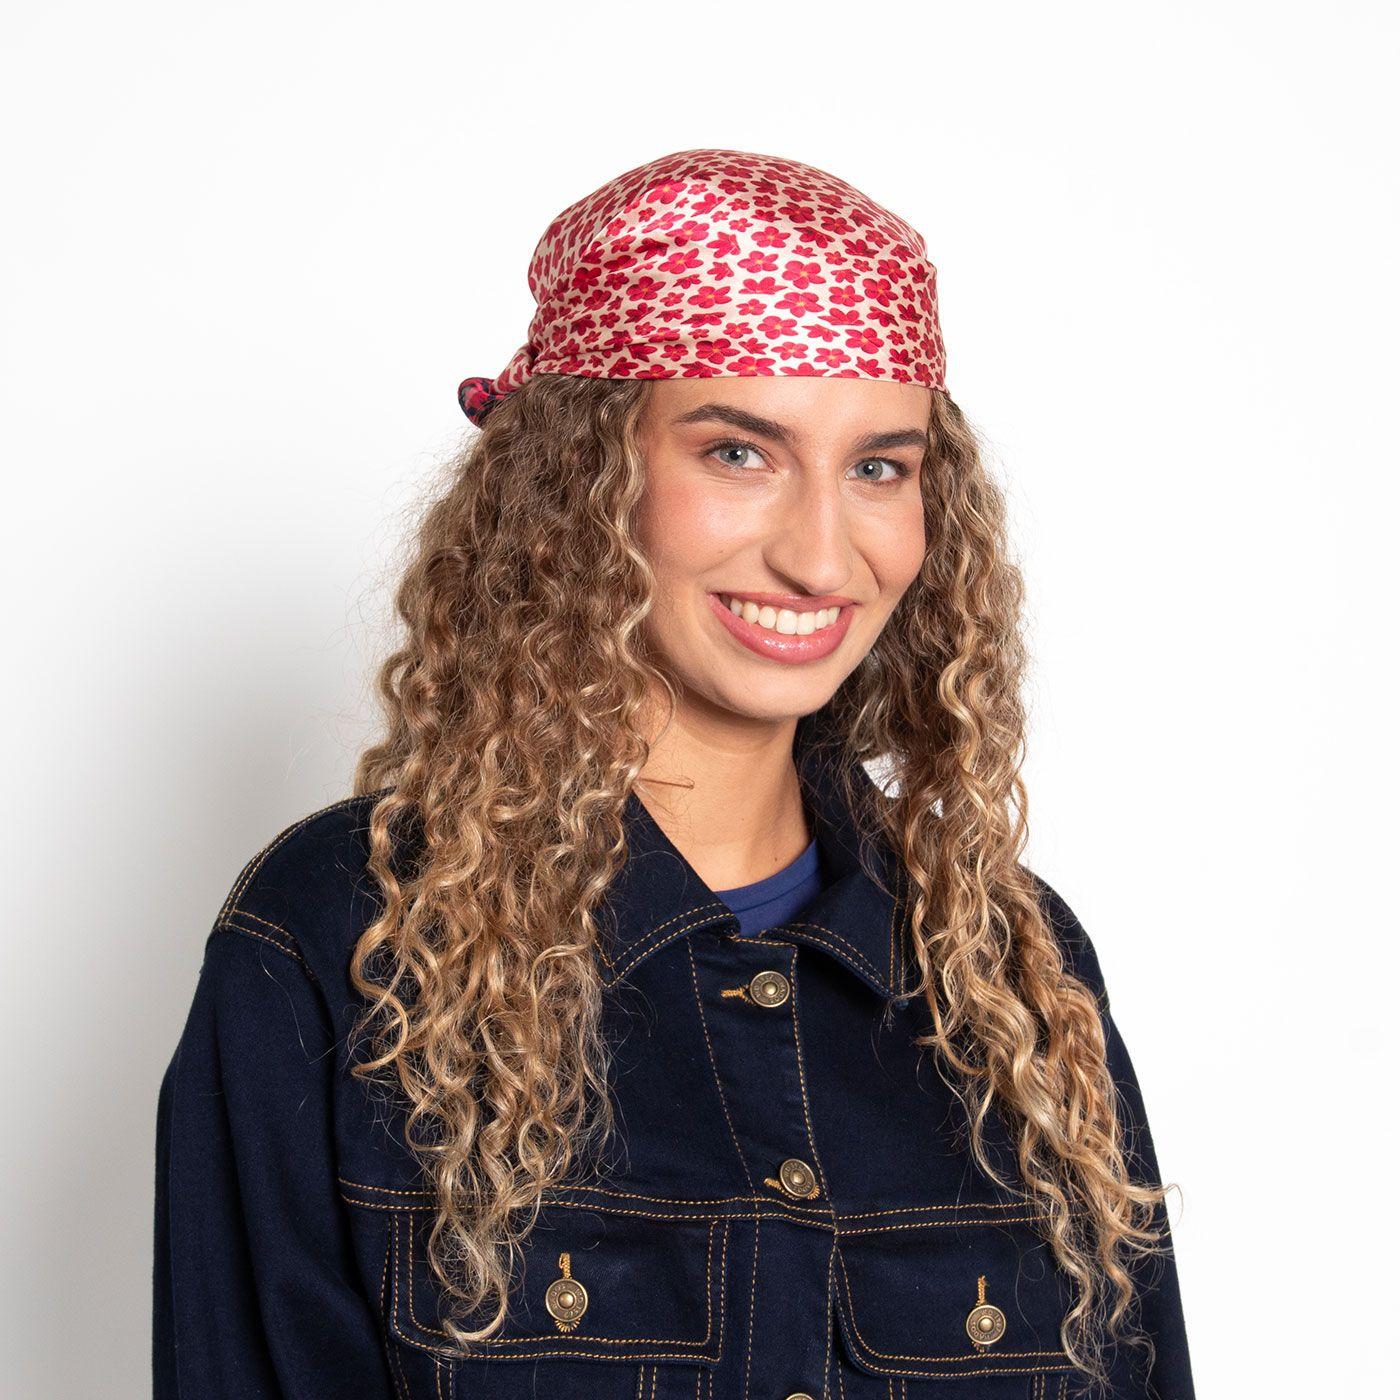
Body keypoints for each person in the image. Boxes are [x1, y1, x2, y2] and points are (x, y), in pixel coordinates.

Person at [154, 148, 1196, 1400]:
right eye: (739, 453)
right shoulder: (342, 941)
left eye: (878, 466)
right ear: (576, 484)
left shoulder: (1009, 966)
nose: (822, 558)